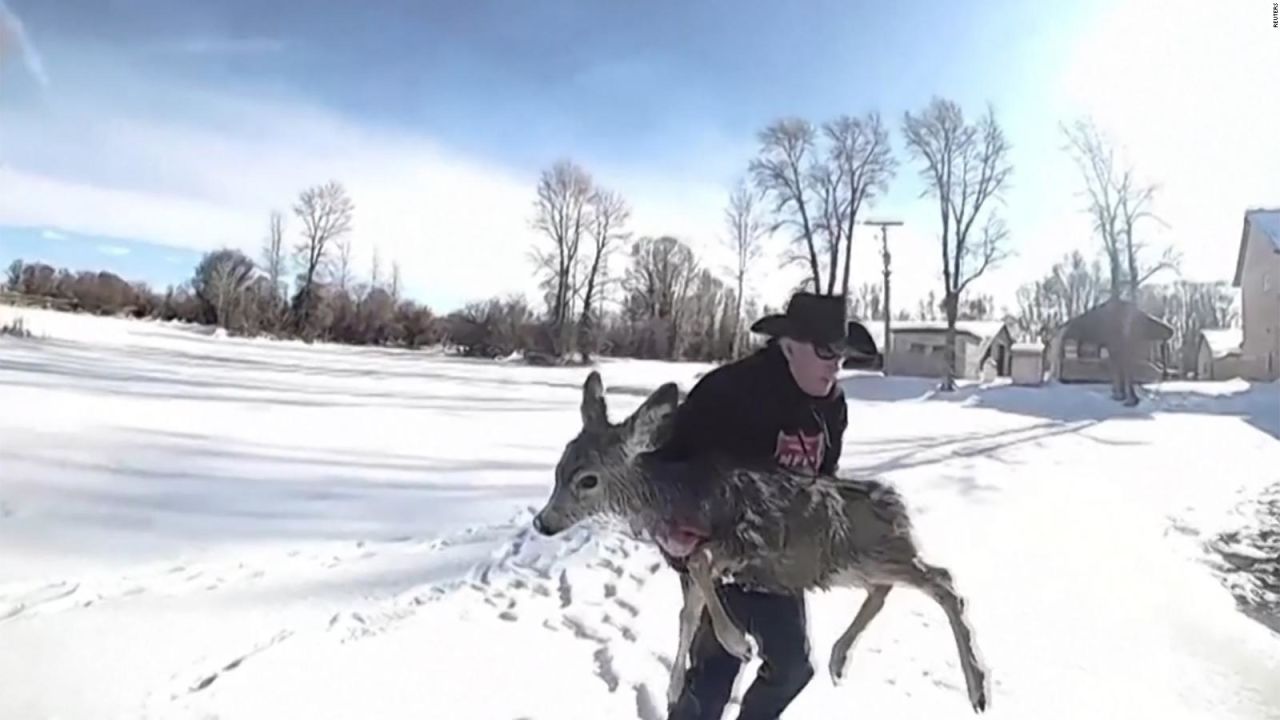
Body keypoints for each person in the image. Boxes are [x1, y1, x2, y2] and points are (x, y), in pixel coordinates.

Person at [652, 291, 875, 720]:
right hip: (719, 556)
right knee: (714, 675)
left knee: (793, 668)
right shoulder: (728, 391)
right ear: (789, 346)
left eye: (842, 356)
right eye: (827, 352)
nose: (835, 366)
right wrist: (671, 532)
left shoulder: (832, 408)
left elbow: (823, 481)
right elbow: (665, 464)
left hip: (783, 562)